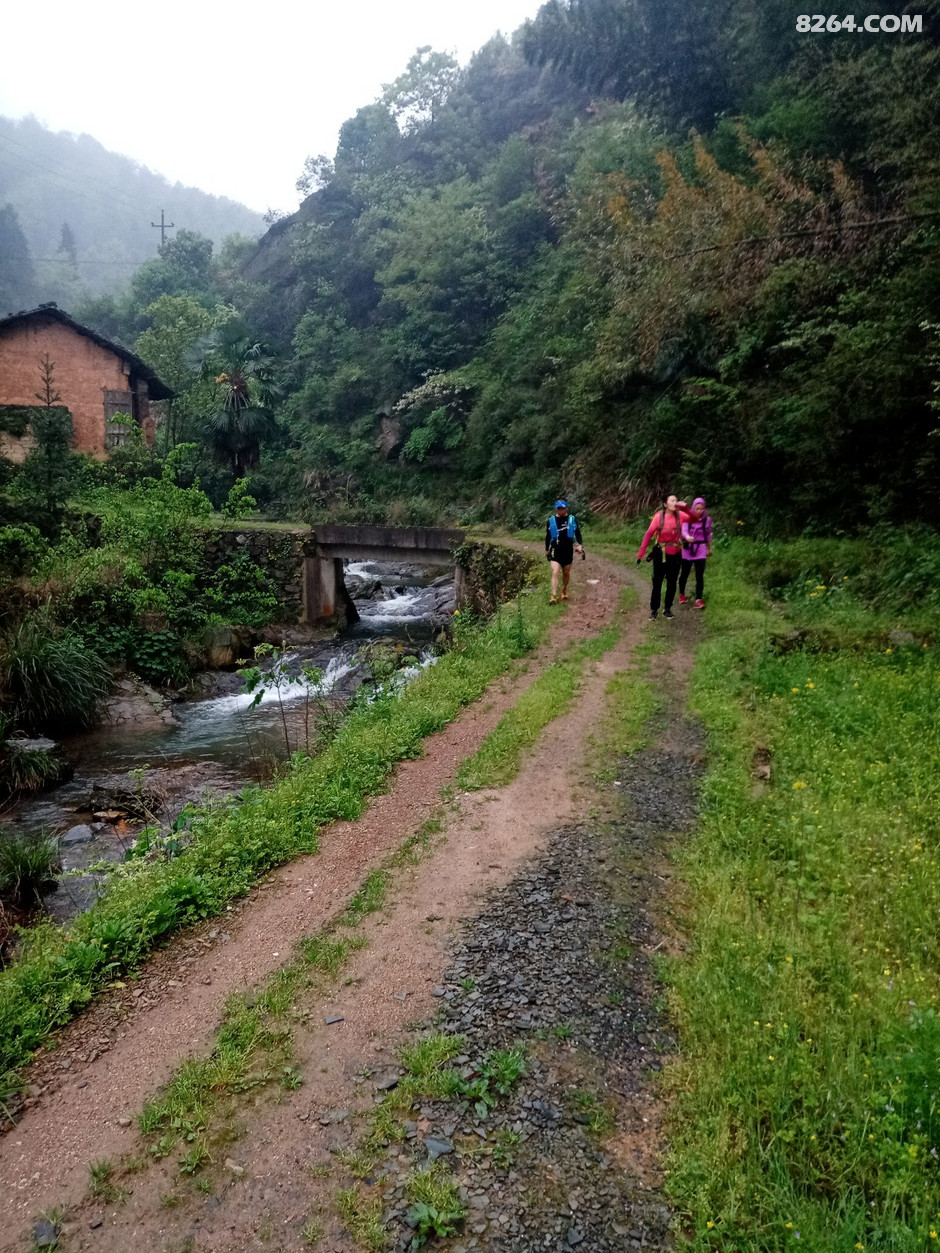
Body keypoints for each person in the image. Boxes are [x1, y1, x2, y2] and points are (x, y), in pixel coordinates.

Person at [636, 494, 687, 620]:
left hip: (675, 553)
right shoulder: (659, 517)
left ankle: (668, 608)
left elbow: (694, 518)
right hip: (660, 553)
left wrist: (685, 507)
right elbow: (648, 534)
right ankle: (654, 609)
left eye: (676, 500)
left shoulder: (681, 515)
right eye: (672, 500)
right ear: (665, 504)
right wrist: (641, 553)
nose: (675, 502)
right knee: (657, 582)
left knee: (672, 582)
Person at [545, 499, 584, 603]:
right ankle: (553, 596)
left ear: (566, 508)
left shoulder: (572, 519)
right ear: (556, 509)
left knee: (566, 573)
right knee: (555, 572)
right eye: (559, 508)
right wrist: (546, 550)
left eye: (562, 508)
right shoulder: (551, 521)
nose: (561, 510)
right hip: (556, 550)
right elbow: (548, 536)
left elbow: (578, 533)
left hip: (567, 550)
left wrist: (580, 545)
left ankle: (564, 589)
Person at [679, 497, 712, 609]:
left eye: (701, 509)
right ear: (693, 508)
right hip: (688, 549)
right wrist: (687, 537)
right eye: (697, 509)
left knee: (699, 575)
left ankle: (698, 599)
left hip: (701, 549)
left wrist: (709, 548)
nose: (699, 511)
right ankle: (682, 594)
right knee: (685, 573)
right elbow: (683, 531)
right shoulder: (687, 518)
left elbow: (708, 535)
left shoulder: (707, 520)